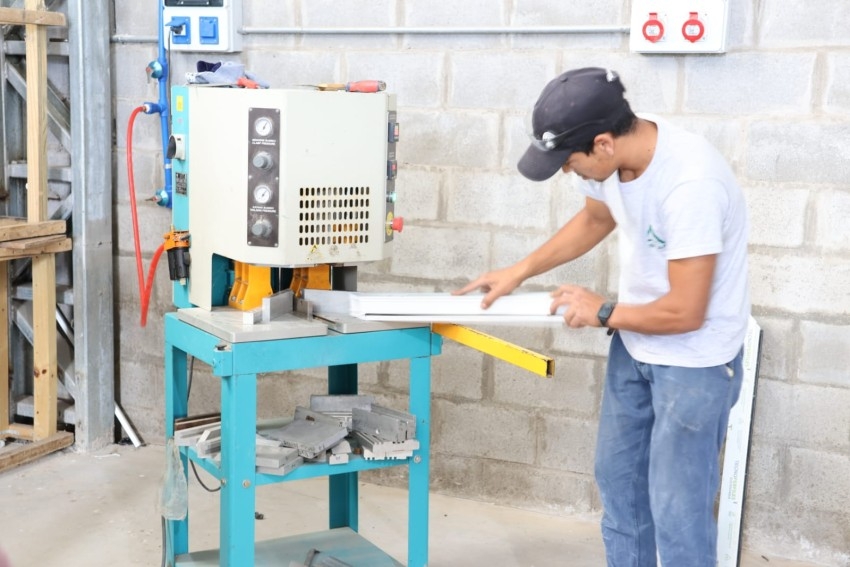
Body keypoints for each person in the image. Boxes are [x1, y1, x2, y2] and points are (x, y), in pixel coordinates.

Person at [455, 67, 750, 566]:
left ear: (604, 144)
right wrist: (518, 271)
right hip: (635, 345)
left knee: (678, 512)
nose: (567, 171)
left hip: (694, 362)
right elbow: (597, 216)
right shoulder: (620, 154)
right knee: (621, 488)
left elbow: (686, 311)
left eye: (569, 161)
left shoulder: (690, 183)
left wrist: (604, 311)